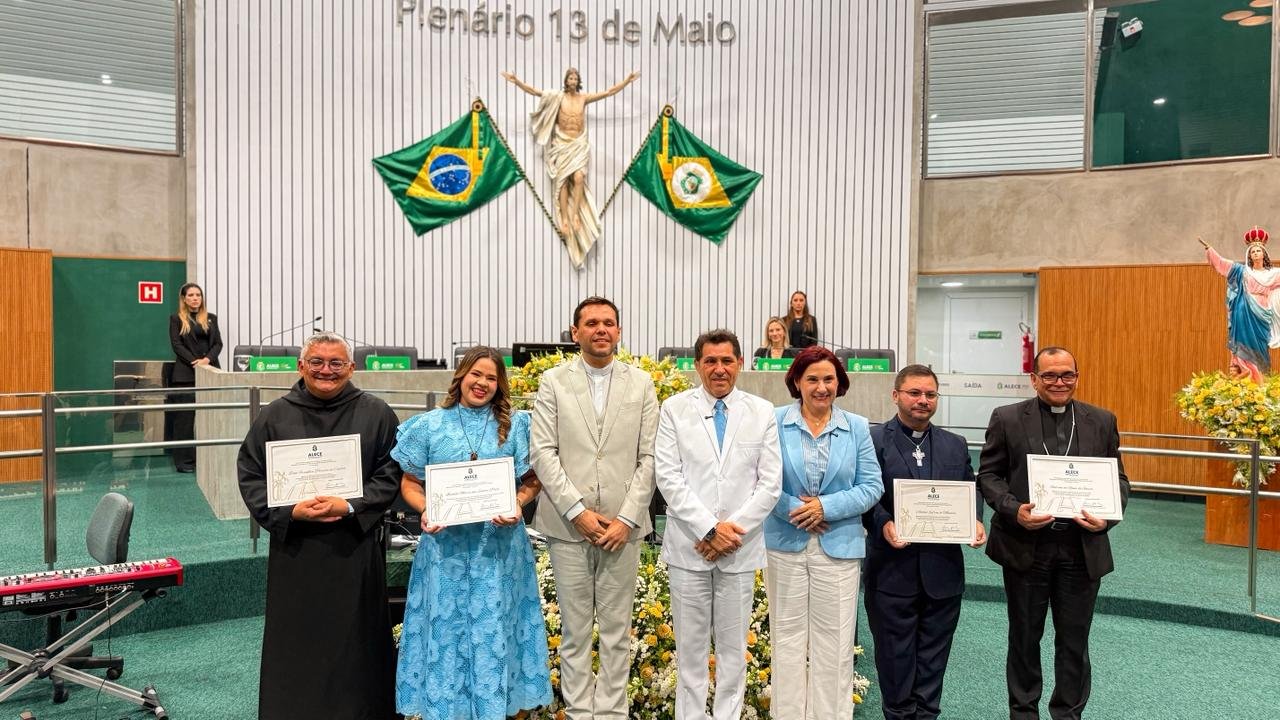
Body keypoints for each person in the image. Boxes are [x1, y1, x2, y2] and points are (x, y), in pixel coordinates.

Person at [236, 332, 401, 720]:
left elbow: (390, 474)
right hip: (297, 553)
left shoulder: (377, 413)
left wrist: (350, 504)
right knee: (297, 645)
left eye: (336, 363)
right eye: (317, 362)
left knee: (356, 647)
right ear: (301, 366)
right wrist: (291, 511)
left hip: (354, 550)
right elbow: (251, 474)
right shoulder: (274, 416)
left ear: (351, 368)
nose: (326, 370)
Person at [392, 345, 551, 719]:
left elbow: (533, 480)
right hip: (445, 551)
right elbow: (410, 483)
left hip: (499, 552)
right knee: (446, 634)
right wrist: (426, 508)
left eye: (491, 378)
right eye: (476, 374)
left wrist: (518, 503)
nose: (482, 383)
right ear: (461, 375)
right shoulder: (428, 426)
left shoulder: (516, 427)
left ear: (500, 384)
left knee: (498, 630)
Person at [978, 346, 1129, 720]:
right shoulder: (1008, 418)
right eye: (1049, 375)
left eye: (1067, 375)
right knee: (1024, 637)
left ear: (1077, 377)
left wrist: (1107, 518)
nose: (1059, 382)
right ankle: (1023, 713)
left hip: (1081, 547)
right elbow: (990, 475)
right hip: (1026, 545)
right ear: (1034, 379)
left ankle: (1067, 714)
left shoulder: (1102, 420)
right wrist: (1014, 510)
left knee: (1075, 641)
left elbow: (1119, 480)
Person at [530, 296, 659, 720]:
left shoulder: (641, 383)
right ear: (575, 332)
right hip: (568, 526)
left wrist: (627, 518)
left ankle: (612, 714)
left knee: (618, 633)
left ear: (618, 331)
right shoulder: (553, 381)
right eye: (591, 323)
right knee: (575, 631)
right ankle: (579, 712)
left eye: (608, 322)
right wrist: (577, 511)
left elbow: (650, 457)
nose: (600, 329)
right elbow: (542, 452)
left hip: (623, 529)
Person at [655, 329, 782, 720]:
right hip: (689, 547)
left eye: (727, 360)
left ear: (740, 363)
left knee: (733, 653)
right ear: (697, 365)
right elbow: (668, 477)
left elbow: (770, 484)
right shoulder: (674, 409)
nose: (719, 368)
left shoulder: (762, 411)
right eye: (710, 361)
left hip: (738, 550)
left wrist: (728, 532)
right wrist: (709, 529)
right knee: (690, 654)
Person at [764, 346, 883, 720]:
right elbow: (760, 479)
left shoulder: (857, 427)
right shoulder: (772, 421)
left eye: (829, 379)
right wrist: (799, 511)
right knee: (786, 640)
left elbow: (872, 486)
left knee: (835, 645)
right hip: (784, 543)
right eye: (812, 379)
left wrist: (825, 507)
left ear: (839, 383)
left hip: (840, 545)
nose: (821, 387)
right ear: (797, 382)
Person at [863, 364, 986, 720]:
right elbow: (865, 495)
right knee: (895, 659)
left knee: (934, 660)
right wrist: (883, 523)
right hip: (890, 571)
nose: (923, 400)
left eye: (930, 394)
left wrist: (975, 518)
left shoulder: (954, 444)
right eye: (914, 393)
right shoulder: (872, 440)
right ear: (895, 395)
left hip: (942, 572)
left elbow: (970, 488)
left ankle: (927, 715)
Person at [502, 67, 640, 269]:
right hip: (562, 144)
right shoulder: (558, 97)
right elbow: (535, 91)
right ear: (566, 81)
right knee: (562, 182)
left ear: (578, 81)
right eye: (570, 78)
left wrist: (627, 81)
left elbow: (609, 92)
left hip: (578, 144)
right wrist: (517, 81)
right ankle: (565, 219)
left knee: (579, 178)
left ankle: (575, 214)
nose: (573, 81)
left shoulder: (584, 98)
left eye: (576, 78)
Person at [1200, 227, 1280, 383]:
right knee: (1242, 345)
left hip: (1262, 315)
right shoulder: (1241, 271)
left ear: (1264, 253)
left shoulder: (1274, 274)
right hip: (1243, 313)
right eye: (1252, 251)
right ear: (1249, 255)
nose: (1255, 253)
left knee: (1260, 346)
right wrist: (1210, 250)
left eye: (1258, 250)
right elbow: (1223, 264)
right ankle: (1244, 377)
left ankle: (1260, 380)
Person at [166, 282, 222, 472]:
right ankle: (184, 462)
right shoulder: (176, 319)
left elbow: (218, 344)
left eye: (198, 295)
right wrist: (194, 361)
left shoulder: (211, 318)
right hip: (185, 375)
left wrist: (206, 360)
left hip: (210, 373)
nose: (195, 298)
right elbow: (177, 345)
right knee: (184, 420)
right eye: (190, 295)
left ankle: (209, 458)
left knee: (212, 417)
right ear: (184, 298)